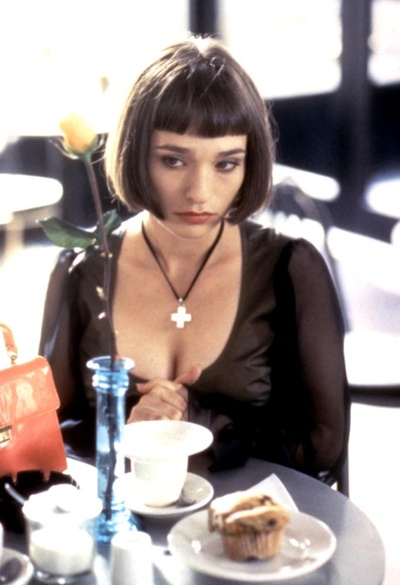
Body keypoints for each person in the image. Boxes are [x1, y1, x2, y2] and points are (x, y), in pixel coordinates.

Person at [39, 36, 350, 483]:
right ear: (135, 154)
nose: (200, 193)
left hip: (254, 520)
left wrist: (203, 421)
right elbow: (43, 438)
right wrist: (125, 427)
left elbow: (324, 445)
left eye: (226, 164)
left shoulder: (291, 269)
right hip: (123, 518)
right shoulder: (82, 270)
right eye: (173, 161)